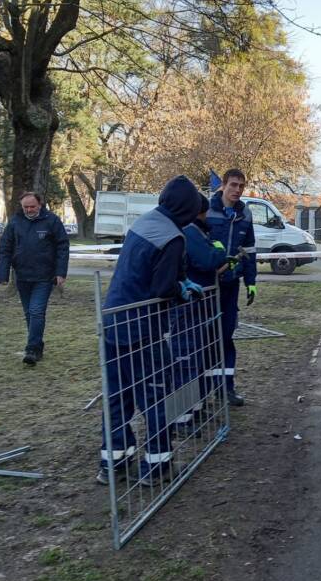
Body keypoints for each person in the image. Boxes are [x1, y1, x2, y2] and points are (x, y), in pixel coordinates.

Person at [96, 175, 205, 486]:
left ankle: (113, 461)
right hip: (142, 329)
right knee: (156, 395)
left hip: (114, 319)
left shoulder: (145, 222)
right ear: (187, 210)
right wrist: (180, 290)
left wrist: (179, 277)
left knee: (118, 394)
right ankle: (157, 464)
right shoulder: (173, 237)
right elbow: (161, 286)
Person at [171, 194, 229, 435]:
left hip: (198, 307)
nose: (209, 219)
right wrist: (220, 251)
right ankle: (181, 418)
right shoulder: (192, 232)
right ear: (199, 213)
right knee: (185, 361)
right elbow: (207, 260)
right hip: (188, 308)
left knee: (196, 360)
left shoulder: (197, 232)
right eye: (206, 214)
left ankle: (194, 409)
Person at [0, 192, 69, 366]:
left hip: (44, 276)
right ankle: (38, 344)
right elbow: (5, 248)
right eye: (25, 207)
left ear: (40, 204)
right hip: (22, 276)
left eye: (32, 206)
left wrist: (61, 273)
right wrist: (3, 274)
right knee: (30, 313)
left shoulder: (52, 221)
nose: (29, 210)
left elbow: (62, 247)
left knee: (36, 311)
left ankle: (32, 350)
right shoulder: (15, 222)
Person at [205, 169, 257, 407]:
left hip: (230, 286)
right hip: (207, 286)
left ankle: (227, 388)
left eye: (241, 186)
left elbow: (250, 250)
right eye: (233, 185)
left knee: (226, 336)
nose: (237, 190)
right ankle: (203, 393)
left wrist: (251, 282)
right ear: (223, 185)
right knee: (205, 339)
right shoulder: (207, 209)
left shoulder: (245, 214)